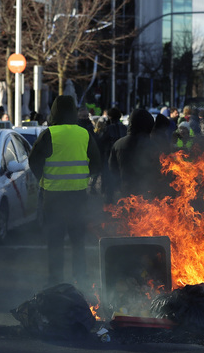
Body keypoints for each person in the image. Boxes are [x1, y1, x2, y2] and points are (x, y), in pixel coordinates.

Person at [28, 95, 101, 287]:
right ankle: (80, 276)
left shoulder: (49, 134)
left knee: (55, 241)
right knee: (78, 241)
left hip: (53, 197)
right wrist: (84, 177)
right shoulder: (84, 134)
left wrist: (42, 179)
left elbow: (34, 160)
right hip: (77, 197)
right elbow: (96, 163)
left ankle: (56, 279)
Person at [109, 109, 158, 199]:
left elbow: (112, 169)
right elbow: (159, 170)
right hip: (147, 193)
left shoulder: (118, 144)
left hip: (125, 191)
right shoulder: (153, 145)